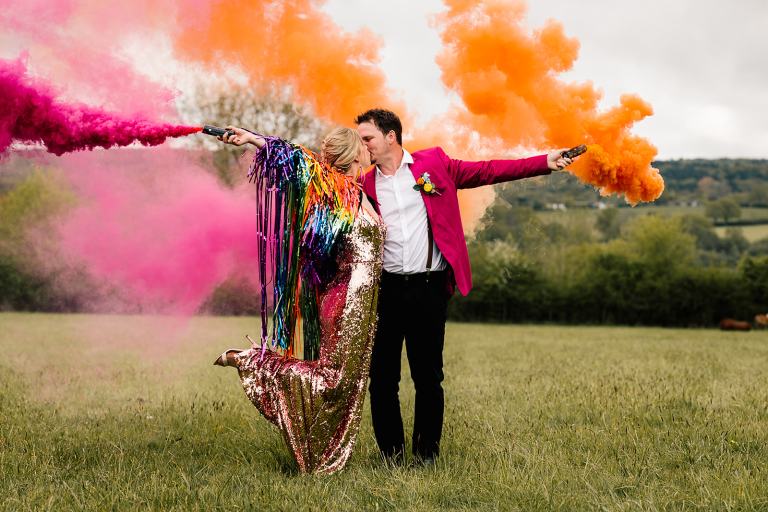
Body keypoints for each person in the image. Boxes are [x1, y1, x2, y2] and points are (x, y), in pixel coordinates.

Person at [355, 108, 577, 465]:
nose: (362, 145)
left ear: (390, 136)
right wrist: (263, 144)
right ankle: (391, 457)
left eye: (367, 138)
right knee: (382, 380)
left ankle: (426, 456)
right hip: (385, 292)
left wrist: (544, 162)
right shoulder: (363, 184)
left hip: (429, 288)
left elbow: (489, 171)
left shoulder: (435, 164)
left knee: (428, 378)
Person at [213, 126, 385, 474]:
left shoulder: (359, 192)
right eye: (363, 144)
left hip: (365, 306)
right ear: (353, 154)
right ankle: (253, 363)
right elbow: (293, 159)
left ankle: (323, 458)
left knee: (349, 383)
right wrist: (252, 138)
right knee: (334, 380)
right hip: (345, 302)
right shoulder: (331, 189)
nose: (369, 148)